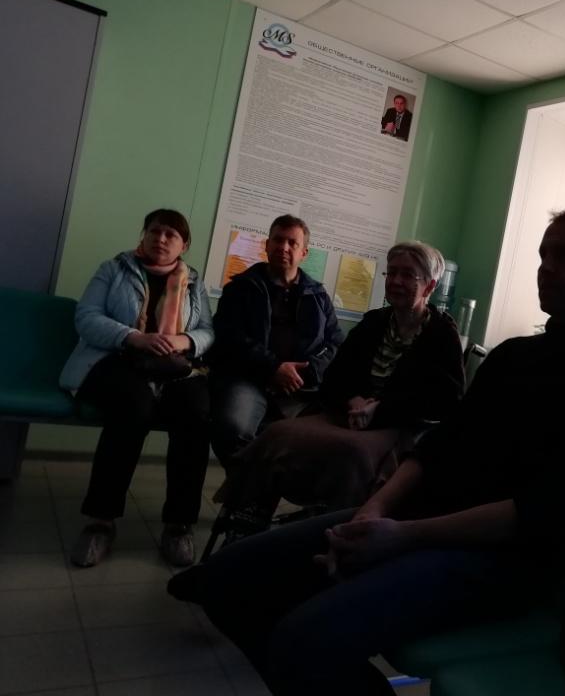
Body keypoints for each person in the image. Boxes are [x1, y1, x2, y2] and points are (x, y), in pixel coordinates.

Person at [169, 209, 565, 695]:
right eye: (543, 255)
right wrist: (373, 511)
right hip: (415, 520)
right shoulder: (514, 355)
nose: (546, 268)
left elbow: (541, 513)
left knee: (302, 642)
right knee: (224, 580)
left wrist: (403, 536)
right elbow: (440, 443)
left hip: (496, 560)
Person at [215, 240, 465, 542]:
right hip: (348, 413)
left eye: (408, 274)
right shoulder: (374, 322)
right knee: (276, 434)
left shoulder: (442, 334)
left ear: (430, 286)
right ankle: (246, 524)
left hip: (397, 424)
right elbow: (335, 377)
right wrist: (353, 399)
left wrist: (380, 408)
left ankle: (335, 535)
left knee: (353, 454)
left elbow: (446, 399)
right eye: (392, 272)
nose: (396, 281)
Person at [59, 208, 214, 568]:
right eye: (155, 231)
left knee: (196, 412)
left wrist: (185, 341)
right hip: (114, 360)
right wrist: (134, 337)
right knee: (133, 407)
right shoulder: (113, 269)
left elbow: (207, 330)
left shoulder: (193, 281)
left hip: (173, 366)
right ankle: (100, 521)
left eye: (171, 235)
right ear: (143, 235)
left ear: (184, 245)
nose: (161, 239)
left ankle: (179, 525)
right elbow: (86, 318)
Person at [208, 214, 343, 478]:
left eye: (292, 243)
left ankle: (253, 488)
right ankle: (256, 487)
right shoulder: (241, 288)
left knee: (325, 441)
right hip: (250, 379)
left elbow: (335, 342)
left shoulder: (318, 295)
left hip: (302, 386)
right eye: (278, 240)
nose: (284, 247)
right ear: (267, 245)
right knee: (232, 429)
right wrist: (273, 368)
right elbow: (229, 337)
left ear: (304, 253)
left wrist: (307, 372)